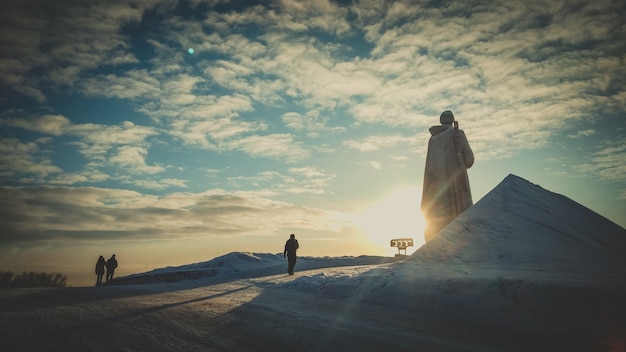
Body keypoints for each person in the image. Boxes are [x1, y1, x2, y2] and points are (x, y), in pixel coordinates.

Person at [421, 110, 474, 242]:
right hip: (457, 191)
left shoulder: (433, 139)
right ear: (452, 120)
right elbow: (469, 160)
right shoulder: (457, 134)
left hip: (435, 195)